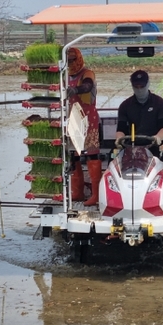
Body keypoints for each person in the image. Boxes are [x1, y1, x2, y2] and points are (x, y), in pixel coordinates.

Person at [65, 47, 101, 206]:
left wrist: (75, 90)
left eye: (73, 60)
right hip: (73, 120)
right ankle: (77, 192)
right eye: (68, 60)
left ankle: (96, 195)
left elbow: (87, 86)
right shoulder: (65, 76)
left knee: (92, 155)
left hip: (88, 120)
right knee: (73, 156)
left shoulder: (87, 73)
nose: (71, 63)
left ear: (78, 59)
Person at [116, 70, 163, 160]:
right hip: (131, 146)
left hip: (155, 145)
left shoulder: (160, 103)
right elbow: (121, 128)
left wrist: (158, 137)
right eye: (136, 86)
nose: (139, 89)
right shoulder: (125, 105)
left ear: (148, 84)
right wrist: (119, 139)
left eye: (142, 86)